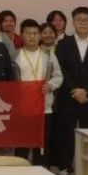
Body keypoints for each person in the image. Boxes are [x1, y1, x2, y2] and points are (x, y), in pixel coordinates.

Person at [51, 6, 88, 175]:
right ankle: (65, 167)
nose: (83, 23)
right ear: (73, 22)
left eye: (86, 20)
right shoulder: (63, 44)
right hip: (68, 96)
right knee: (66, 133)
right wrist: (75, 90)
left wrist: (86, 90)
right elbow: (60, 69)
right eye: (79, 20)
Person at [13, 19, 63, 166]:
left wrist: (50, 85)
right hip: (21, 108)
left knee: (42, 144)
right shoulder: (14, 54)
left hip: (44, 107)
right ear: (21, 35)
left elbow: (59, 76)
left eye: (35, 33)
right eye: (28, 33)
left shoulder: (48, 54)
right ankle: (20, 172)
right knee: (21, 143)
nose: (32, 37)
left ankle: (41, 172)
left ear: (40, 35)